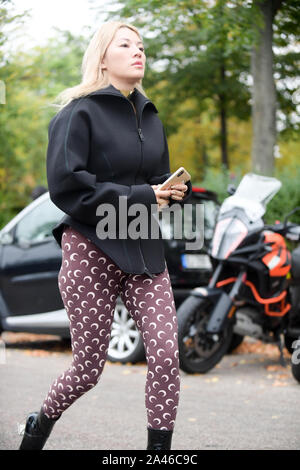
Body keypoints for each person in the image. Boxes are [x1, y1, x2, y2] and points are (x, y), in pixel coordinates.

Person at [19, 20, 192, 451]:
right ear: (102, 57)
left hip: (144, 250)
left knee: (168, 355)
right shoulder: (77, 113)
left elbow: (154, 180)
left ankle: (158, 455)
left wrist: (169, 192)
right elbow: (69, 187)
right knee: (87, 369)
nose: (139, 51)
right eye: (127, 44)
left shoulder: (151, 117)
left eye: (142, 45)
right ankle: (39, 423)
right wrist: (141, 195)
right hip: (90, 248)